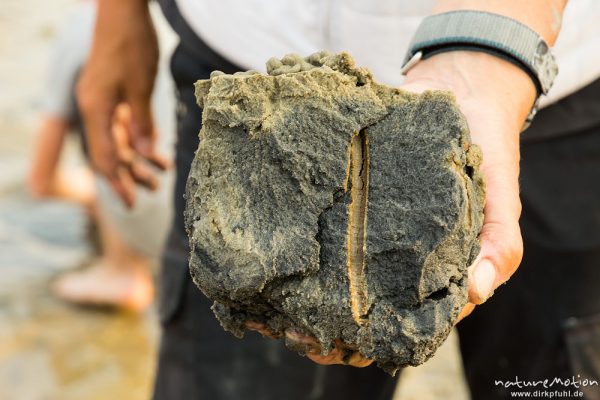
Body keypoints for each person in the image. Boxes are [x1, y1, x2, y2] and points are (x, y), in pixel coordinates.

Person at [76, 0, 600, 398]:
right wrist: (118, 13)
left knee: (555, 375)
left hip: (535, 84)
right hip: (250, 98)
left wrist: (493, 35)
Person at [28, 1, 175, 311]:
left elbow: (41, 182)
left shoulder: (84, 27)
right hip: (199, 218)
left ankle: (121, 269)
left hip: (144, 208)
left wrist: (93, 193)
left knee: (100, 111)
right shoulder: (178, 17)